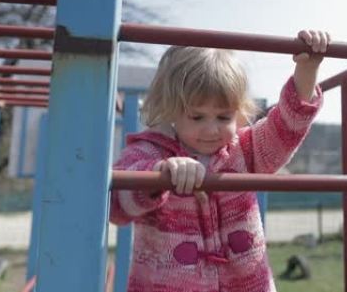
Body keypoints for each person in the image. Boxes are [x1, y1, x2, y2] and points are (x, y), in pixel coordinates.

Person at [110, 30, 330, 292]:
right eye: (197, 117)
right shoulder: (151, 152)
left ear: (238, 112)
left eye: (224, 117)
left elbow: (285, 129)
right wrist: (159, 176)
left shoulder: (243, 151)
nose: (212, 130)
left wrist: (307, 70)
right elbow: (116, 206)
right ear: (171, 110)